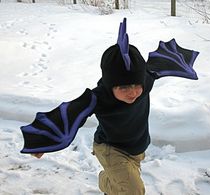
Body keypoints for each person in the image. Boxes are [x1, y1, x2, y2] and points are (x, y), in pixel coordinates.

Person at [20, 18, 199, 195]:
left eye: (136, 84)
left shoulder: (146, 80)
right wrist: (43, 143)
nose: (133, 92)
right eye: (123, 87)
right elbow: (71, 113)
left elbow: (153, 68)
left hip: (137, 148)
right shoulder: (99, 98)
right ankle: (105, 181)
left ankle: (113, 183)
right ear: (110, 84)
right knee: (133, 190)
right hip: (110, 149)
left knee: (126, 183)